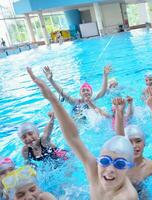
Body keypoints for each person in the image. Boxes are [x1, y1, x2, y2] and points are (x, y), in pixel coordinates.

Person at [27, 67, 138, 200]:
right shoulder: (94, 171)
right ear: (98, 160)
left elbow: (121, 145)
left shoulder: (127, 195)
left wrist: (119, 114)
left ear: (129, 167)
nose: (109, 169)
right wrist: (51, 97)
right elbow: (73, 138)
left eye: (120, 164)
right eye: (104, 160)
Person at [114, 98, 152, 199]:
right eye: (130, 142)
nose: (134, 146)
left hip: (141, 191)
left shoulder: (150, 165)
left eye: (138, 141)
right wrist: (119, 112)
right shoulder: (121, 164)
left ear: (144, 143)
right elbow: (119, 136)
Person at [42, 65, 111, 119]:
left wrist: (105, 76)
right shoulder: (75, 101)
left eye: (88, 90)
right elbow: (62, 93)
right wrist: (51, 80)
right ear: (80, 94)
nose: (86, 92)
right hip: (78, 120)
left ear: (91, 93)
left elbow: (103, 92)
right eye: (83, 90)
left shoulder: (93, 99)